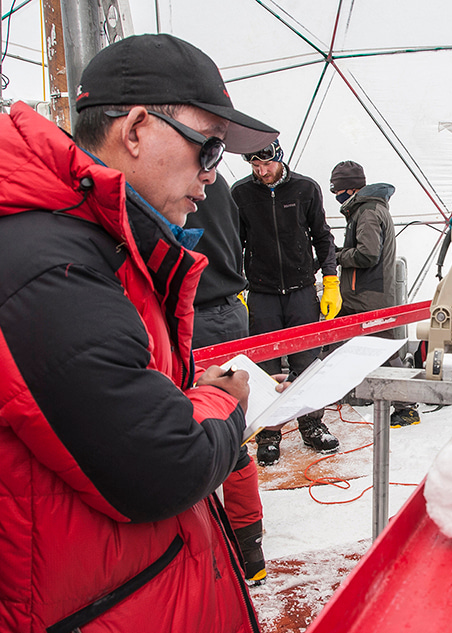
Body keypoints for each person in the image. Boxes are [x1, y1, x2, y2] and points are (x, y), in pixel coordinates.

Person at [0, 33, 279, 632]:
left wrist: (184, 395)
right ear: (135, 129)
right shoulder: (39, 260)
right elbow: (165, 464)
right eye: (208, 149)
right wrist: (224, 400)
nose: (213, 176)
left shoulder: (89, 239)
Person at [232, 141, 341, 460]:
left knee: (305, 361)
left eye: (266, 165)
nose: (261, 172)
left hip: (301, 291)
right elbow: (235, 243)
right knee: (266, 365)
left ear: (279, 159)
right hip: (262, 292)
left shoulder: (305, 188)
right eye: (255, 167)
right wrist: (237, 284)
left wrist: (331, 279)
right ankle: (269, 432)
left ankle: (312, 426)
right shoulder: (241, 194)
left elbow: (322, 236)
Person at [186, 173, 267, 585]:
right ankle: (250, 551)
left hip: (195, 316)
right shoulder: (219, 185)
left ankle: (228, 555)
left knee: (203, 432)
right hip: (231, 310)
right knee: (233, 435)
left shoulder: (170, 181)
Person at [329, 160, 419, 427]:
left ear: (350, 188)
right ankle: (327, 399)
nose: (336, 196)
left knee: (386, 353)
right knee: (335, 343)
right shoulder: (368, 208)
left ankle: (408, 407)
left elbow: (368, 254)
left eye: (338, 190)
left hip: (368, 296)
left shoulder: (367, 211)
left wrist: (337, 256)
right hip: (364, 294)